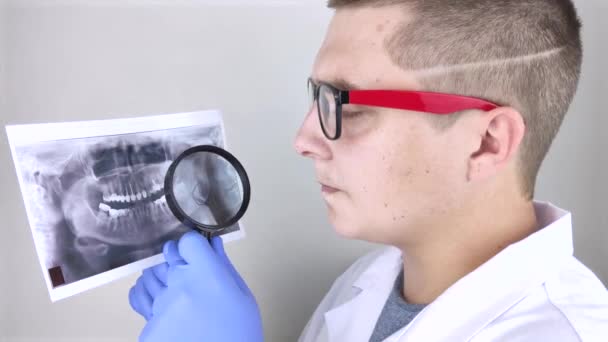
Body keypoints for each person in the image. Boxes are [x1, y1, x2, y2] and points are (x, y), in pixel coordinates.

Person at [128, 0, 608, 341]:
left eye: (345, 104)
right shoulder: (368, 281)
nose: (303, 140)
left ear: (486, 142)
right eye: (316, 95)